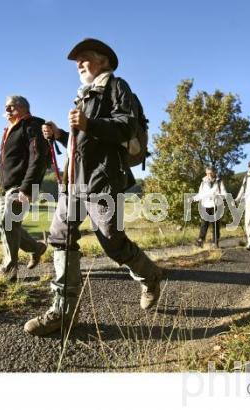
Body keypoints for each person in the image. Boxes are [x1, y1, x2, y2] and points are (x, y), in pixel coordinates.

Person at [24, 38, 163, 337]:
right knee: (60, 238)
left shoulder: (117, 87)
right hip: (74, 182)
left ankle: (150, 275)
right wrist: (61, 134)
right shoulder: (83, 96)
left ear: (103, 61)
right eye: (77, 61)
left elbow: (126, 126)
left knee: (112, 241)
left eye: (84, 58)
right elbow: (82, 147)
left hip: (103, 181)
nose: (79, 64)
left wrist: (89, 124)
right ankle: (62, 312)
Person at [0, 95, 49, 281]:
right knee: (3, 222)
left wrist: (27, 187)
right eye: (6, 107)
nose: (6, 110)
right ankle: (36, 248)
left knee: (7, 222)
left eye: (11, 107)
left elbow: (38, 157)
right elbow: (3, 164)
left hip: (23, 186)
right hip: (10, 187)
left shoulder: (32, 125)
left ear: (24, 108)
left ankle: (8, 270)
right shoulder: (10, 131)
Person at [193, 166, 226, 248]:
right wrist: (194, 198)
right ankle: (200, 241)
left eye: (211, 173)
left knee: (215, 224)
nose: (209, 175)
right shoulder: (203, 182)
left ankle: (215, 242)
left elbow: (224, 194)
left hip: (216, 205)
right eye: (207, 173)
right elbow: (200, 194)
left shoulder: (219, 181)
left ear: (214, 172)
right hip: (206, 205)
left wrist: (218, 196)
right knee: (204, 224)